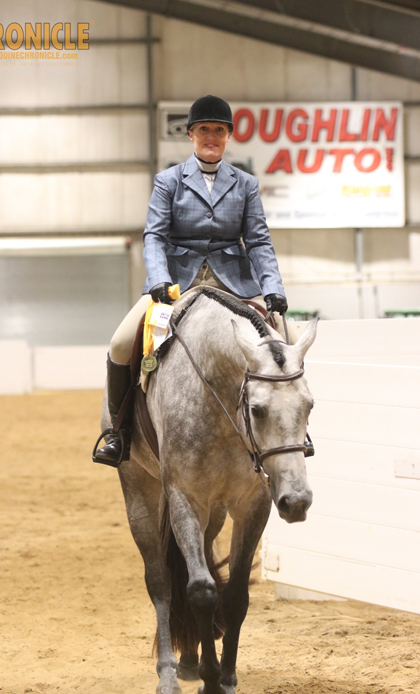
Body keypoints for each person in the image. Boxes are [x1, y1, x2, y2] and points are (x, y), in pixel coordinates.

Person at [94, 94, 291, 467]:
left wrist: (273, 290)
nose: (211, 137)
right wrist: (158, 279)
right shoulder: (168, 181)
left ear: (229, 136)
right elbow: (155, 236)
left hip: (234, 282)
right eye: (204, 130)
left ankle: (294, 431)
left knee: (288, 338)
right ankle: (120, 433)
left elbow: (259, 242)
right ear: (191, 135)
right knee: (121, 342)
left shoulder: (246, 184)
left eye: (218, 130)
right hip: (175, 284)